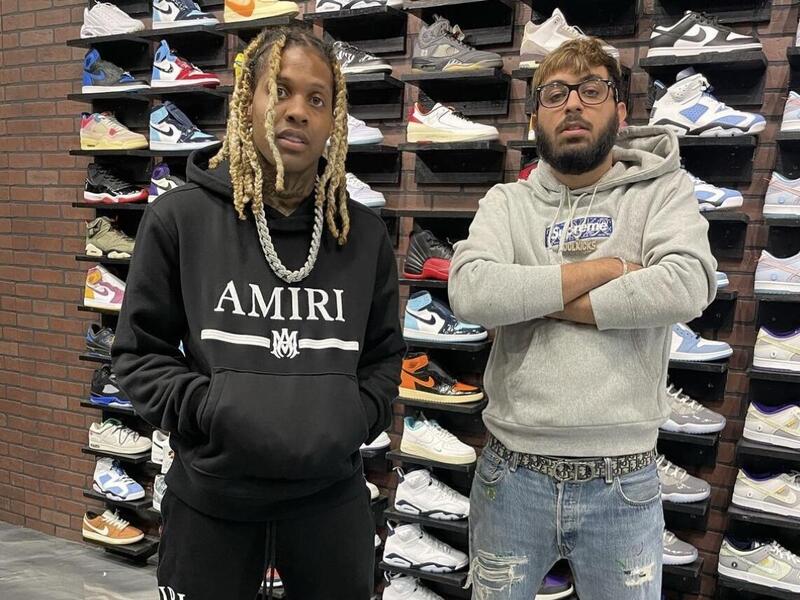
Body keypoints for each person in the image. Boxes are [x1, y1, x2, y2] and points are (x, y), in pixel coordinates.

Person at [111, 24, 404, 600]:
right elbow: (138, 354)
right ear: (249, 102)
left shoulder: (363, 235)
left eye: (317, 99)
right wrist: (211, 410)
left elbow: (384, 357)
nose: (298, 111)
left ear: (333, 122)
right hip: (212, 502)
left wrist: (351, 414)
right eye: (282, 91)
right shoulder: (179, 220)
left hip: (331, 504)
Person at [448, 38, 716, 599]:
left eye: (591, 90)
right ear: (535, 118)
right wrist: (612, 267)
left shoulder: (662, 191)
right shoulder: (507, 203)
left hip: (624, 479)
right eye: (555, 93)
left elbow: (688, 283)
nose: (573, 104)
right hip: (510, 474)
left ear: (621, 110)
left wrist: (531, 295)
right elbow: (471, 291)